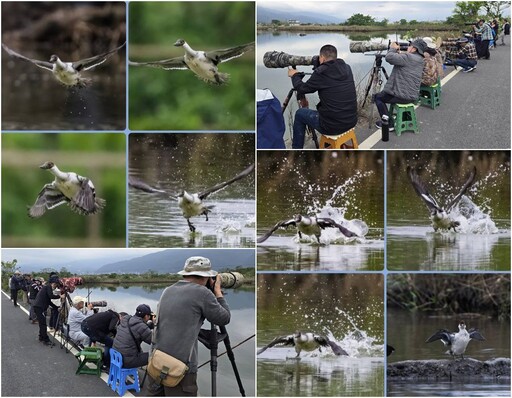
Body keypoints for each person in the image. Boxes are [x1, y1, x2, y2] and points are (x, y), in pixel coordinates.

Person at [147, 256, 231, 396]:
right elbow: (224, 318)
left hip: (156, 362)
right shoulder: (202, 293)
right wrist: (218, 292)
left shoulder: (167, 290)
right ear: (206, 277)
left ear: (185, 273)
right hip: (180, 369)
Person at [287, 44, 357, 149]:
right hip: (351, 120)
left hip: (331, 126)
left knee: (300, 114)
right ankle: (329, 145)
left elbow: (302, 88)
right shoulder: (347, 67)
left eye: (319, 59)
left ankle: (296, 150)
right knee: (328, 107)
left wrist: (294, 76)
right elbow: (330, 74)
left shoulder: (321, 72)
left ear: (322, 58)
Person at [374, 39, 427, 132]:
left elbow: (389, 58)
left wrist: (392, 48)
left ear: (414, 49)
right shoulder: (420, 60)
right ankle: (403, 118)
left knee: (378, 98)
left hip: (401, 96)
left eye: (410, 46)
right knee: (384, 95)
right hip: (412, 95)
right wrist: (399, 53)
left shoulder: (408, 57)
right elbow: (405, 60)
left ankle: (388, 124)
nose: (408, 47)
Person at [113, 304, 153, 368]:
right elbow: (154, 341)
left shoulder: (126, 320)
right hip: (126, 361)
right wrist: (156, 325)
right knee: (154, 356)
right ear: (146, 316)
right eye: (149, 316)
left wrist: (148, 326)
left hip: (115, 356)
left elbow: (138, 329)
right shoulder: (141, 327)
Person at [32, 275, 63, 346]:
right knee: (43, 324)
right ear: (53, 283)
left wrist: (56, 307)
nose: (56, 286)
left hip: (38, 307)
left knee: (41, 323)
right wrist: (60, 296)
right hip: (40, 307)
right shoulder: (48, 287)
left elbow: (49, 301)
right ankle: (46, 340)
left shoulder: (46, 287)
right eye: (56, 284)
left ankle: (41, 337)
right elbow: (51, 296)